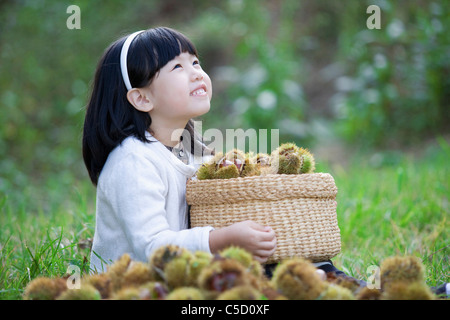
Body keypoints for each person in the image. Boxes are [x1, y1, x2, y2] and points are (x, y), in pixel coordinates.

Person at [82, 27, 277, 273]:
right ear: (142, 99)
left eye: (195, 62)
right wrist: (222, 239)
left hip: (187, 274)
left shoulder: (193, 152)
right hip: (136, 287)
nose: (196, 73)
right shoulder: (133, 161)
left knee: (301, 264)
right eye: (177, 67)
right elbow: (154, 249)